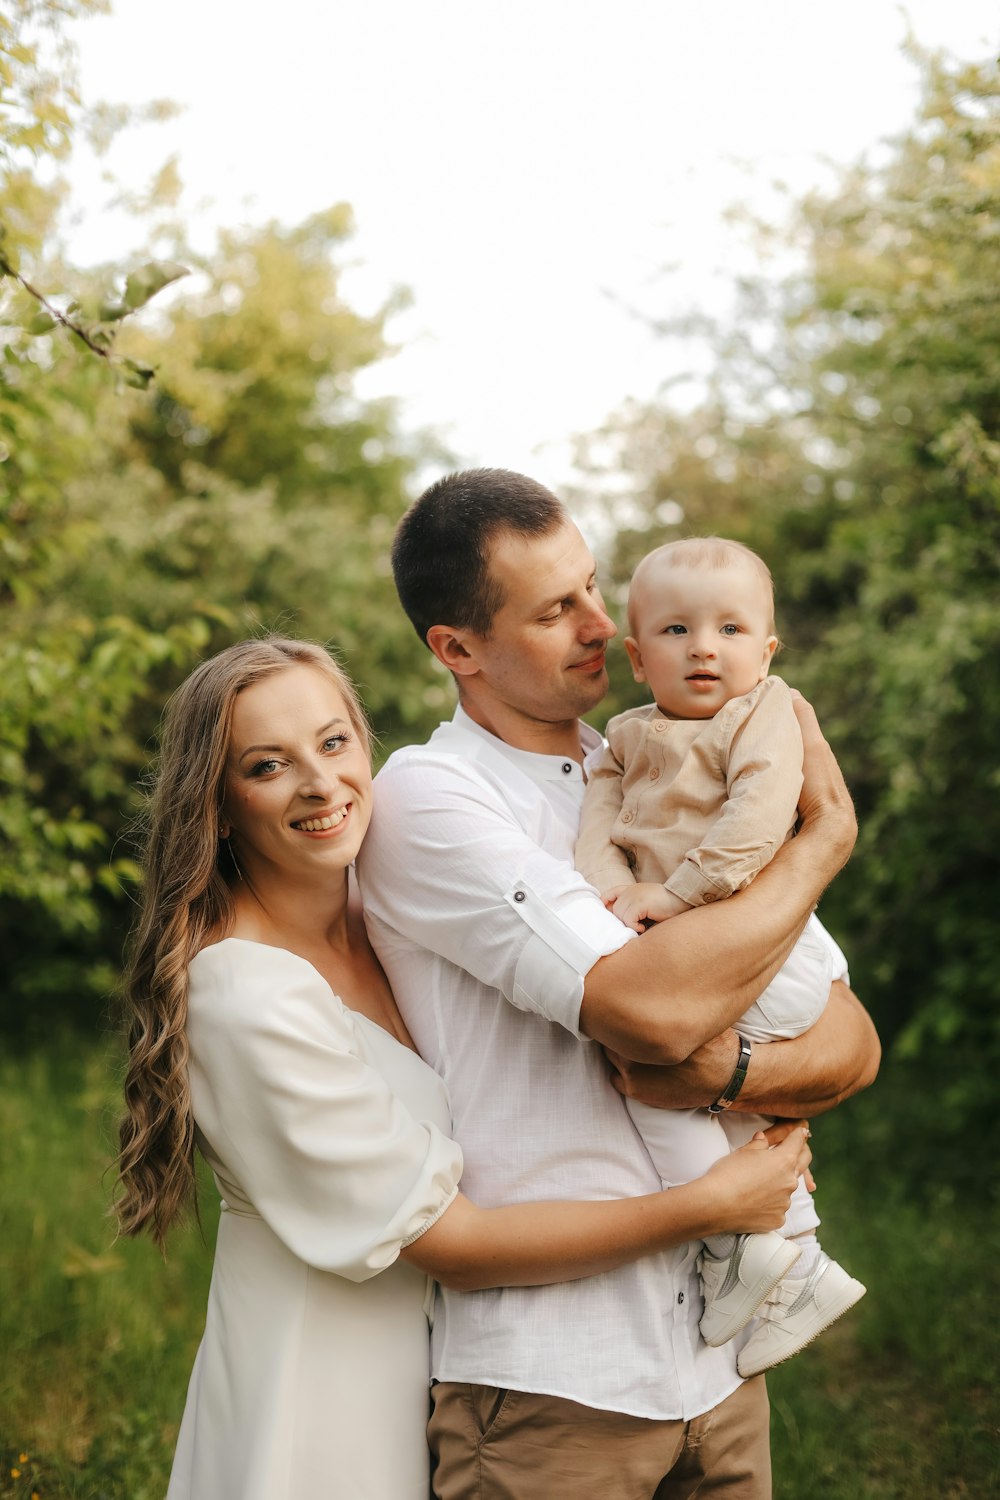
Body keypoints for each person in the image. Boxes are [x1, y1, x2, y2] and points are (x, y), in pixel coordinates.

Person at [113, 635, 811, 1500]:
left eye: (334, 743)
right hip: (322, 1383)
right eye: (267, 766)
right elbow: (458, 1244)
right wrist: (708, 1205)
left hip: (436, 1364)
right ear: (217, 803)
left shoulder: (381, 909)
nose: (321, 783)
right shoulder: (246, 995)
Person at [357, 469, 880, 1500]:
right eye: (556, 609)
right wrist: (826, 841)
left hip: (717, 1370)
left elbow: (848, 1035)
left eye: (594, 587)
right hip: (554, 1386)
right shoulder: (431, 797)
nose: (604, 625)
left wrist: (729, 1071)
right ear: (455, 648)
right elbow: (649, 1012)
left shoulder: (656, 759)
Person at [575, 535, 866, 1378]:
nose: (705, 646)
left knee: (655, 1057)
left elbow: (761, 808)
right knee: (663, 1072)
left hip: (767, 943)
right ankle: (793, 1264)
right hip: (689, 943)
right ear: (636, 656)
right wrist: (612, 899)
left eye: (732, 629)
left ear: (766, 650)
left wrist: (677, 895)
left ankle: (744, 1245)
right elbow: (599, 828)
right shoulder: (624, 738)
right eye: (675, 631)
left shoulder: (764, 710)